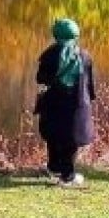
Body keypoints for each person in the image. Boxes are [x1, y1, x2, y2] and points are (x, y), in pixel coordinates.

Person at [34, 18, 96, 188]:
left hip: (53, 105)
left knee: (53, 136)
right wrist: (89, 99)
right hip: (77, 105)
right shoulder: (84, 56)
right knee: (71, 141)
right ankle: (67, 177)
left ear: (56, 35)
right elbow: (89, 84)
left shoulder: (48, 55)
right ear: (75, 34)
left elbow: (40, 79)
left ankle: (54, 168)